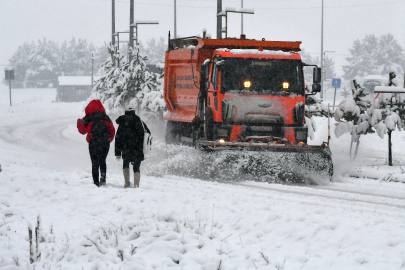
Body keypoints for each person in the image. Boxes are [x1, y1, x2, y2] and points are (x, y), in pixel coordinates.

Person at [77, 100, 115, 187]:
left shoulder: (89, 118)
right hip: (105, 143)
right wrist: (108, 140)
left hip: (93, 143)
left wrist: (80, 121)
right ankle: (103, 180)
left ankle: (96, 182)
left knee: (95, 163)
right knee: (102, 161)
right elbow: (112, 131)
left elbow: (82, 131)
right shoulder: (106, 118)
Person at [115, 105, 150, 188]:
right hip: (137, 149)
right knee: (136, 167)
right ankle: (136, 185)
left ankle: (127, 183)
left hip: (125, 148)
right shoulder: (139, 121)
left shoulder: (122, 123)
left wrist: (118, 153)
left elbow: (118, 138)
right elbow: (148, 134)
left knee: (125, 164)